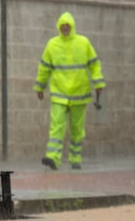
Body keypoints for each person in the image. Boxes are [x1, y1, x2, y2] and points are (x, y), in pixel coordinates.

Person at [34, 11, 105, 170]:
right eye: (62, 25)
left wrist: (98, 83)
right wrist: (40, 87)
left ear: (72, 26)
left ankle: (75, 158)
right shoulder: (52, 45)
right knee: (56, 126)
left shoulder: (83, 43)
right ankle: (53, 158)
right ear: (59, 27)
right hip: (59, 93)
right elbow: (44, 68)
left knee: (76, 128)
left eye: (68, 25)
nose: (65, 27)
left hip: (79, 93)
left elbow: (94, 64)